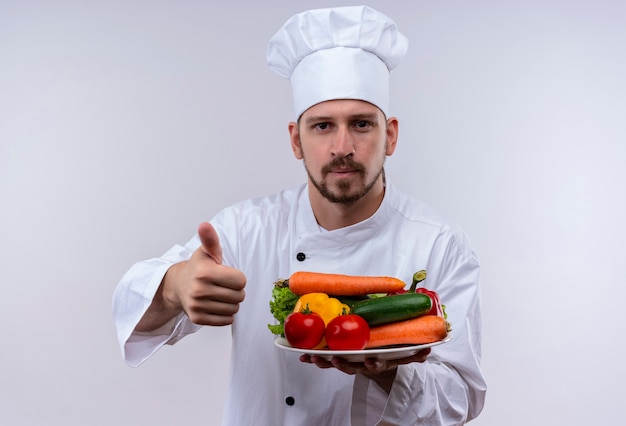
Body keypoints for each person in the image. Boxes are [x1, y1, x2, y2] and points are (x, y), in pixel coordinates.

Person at [113, 5, 486, 425]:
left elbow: (462, 398)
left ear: (391, 136)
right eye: (322, 126)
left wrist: (388, 369)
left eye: (362, 124)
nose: (342, 146)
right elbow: (130, 307)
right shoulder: (246, 230)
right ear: (296, 139)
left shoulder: (440, 244)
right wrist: (173, 286)